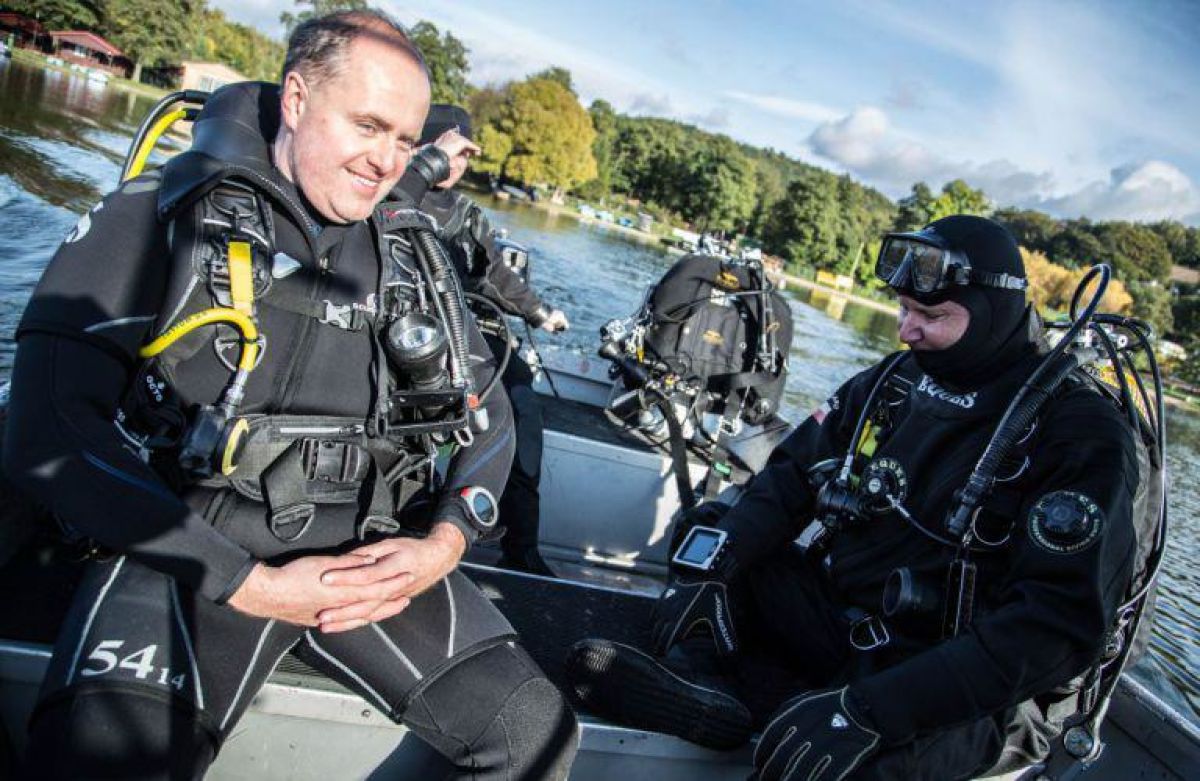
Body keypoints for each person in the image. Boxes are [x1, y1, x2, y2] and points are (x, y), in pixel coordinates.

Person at [3, 11, 577, 779]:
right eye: (367, 126)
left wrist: (444, 542)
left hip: (365, 555)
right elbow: (47, 427)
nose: (385, 161)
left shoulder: (413, 259)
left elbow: (491, 415)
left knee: (537, 733)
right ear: (299, 99)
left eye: (405, 140)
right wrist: (254, 584)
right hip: (190, 547)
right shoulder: (162, 217)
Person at [567, 215, 1143, 780]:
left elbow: (1055, 628)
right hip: (851, 625)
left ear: (995, 311)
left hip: (971, 681)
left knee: (859, 766)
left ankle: (786, 709)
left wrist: (877, 710)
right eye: (904, 309)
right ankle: (705, 681)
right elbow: (789, 477)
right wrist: (713, 573)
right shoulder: (896, 380)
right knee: (715, 526)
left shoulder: (1079, 431)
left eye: (931, 316)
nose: (906, 330)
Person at [395, 104, 568, 577]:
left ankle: (522, 546)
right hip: (404, 334)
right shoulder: (389, 192)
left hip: (463, 334)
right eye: (450, 150)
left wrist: (541, 313)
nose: (459, 163)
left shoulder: (468, 215)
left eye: (466, 154)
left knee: (521, 403)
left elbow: (495, 276)